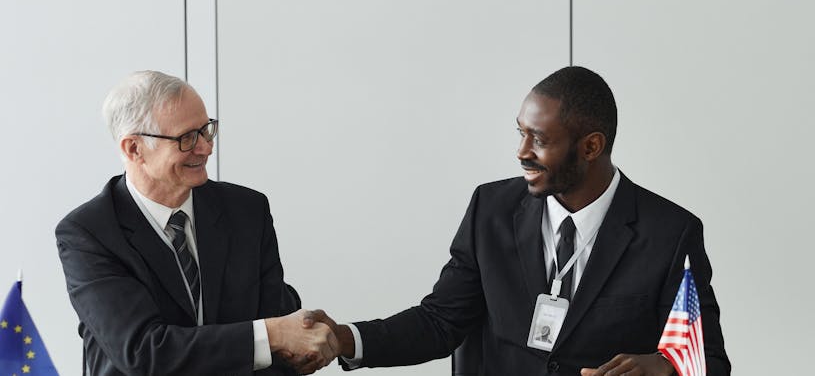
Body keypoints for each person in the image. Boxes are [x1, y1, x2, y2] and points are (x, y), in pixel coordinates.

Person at [312, 66, 730, 375]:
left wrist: (663, 367)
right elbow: (440, 321)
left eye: (540, 139)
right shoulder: (490, 209)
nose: (522, 152)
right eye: (521, 133)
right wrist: (344, 339)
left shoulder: (670, 234)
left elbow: (707, 359)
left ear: (591, 147)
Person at [55, 71, 340, 375]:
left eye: (206, 131)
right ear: (134, 149)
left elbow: (283, 342)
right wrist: (271, 334)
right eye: (187, 138)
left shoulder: (247, 211)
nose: (206, 148)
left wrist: (293, 337)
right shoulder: (89, 233)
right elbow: (144, 352)